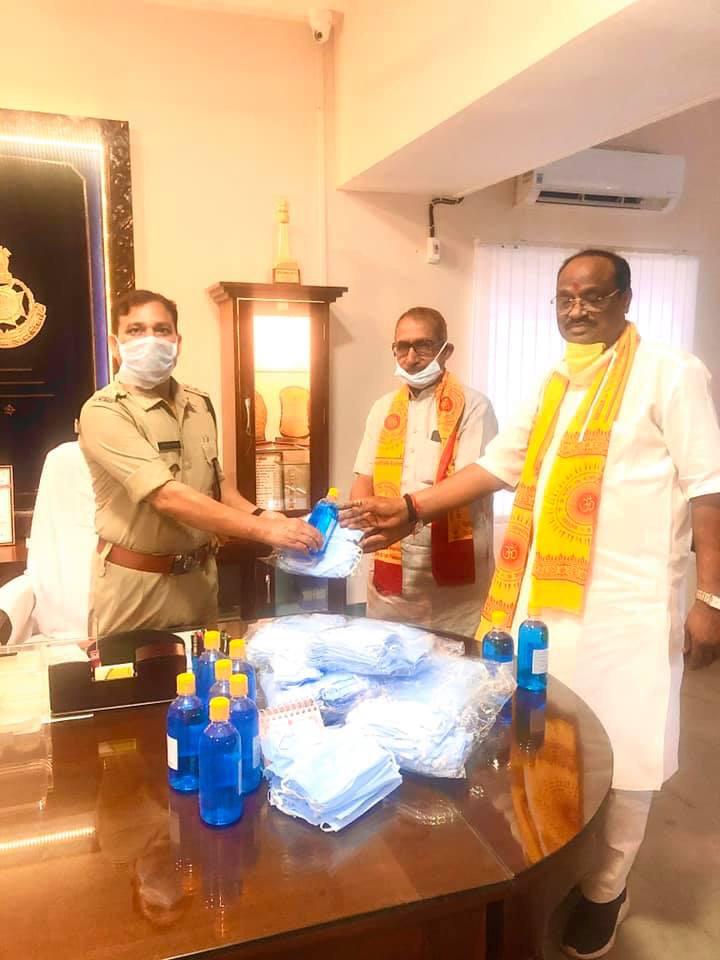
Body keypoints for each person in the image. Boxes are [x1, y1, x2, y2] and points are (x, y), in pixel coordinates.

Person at [341, 251, 720, 958]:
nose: (577, 309)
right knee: (542, 740)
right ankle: (557, 855)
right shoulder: (554, 385)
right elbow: (497, 467)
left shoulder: (671, 372)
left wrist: (711, 595)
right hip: (546, 603)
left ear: (625, 298)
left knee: (630, 753)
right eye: (565, 298)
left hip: (629, 610)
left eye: (593, 296)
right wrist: (413, 508)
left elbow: (709, 487)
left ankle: (606, 890)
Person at [79, 289, 321, 638]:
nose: (150, 340)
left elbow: (217, 487)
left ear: (177, 342)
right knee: (134, 674)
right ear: (115, 346)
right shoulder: (104, 411)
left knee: (206, 671)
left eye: (162, 330)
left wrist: (263, 515)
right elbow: (167, 496)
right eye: (136, 330)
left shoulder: (198, 404)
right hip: (137, 589)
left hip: (200, 584)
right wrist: (264, 531)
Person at [351, 306, 497, 635]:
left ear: (446, 351)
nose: (411, 357)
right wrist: (359, 520)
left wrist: (406, 512)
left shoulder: (474, 406)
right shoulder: (382, 408)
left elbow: (472, 483)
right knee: (389, 654)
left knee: (454, 658)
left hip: (454, 583)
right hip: (392, 572)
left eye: (423, 346)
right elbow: (364, 478)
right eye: (402, 347)